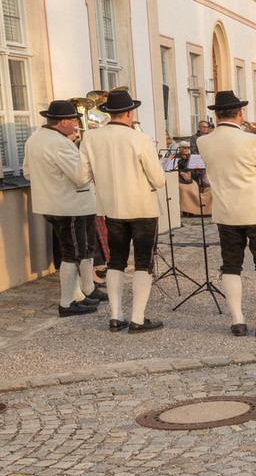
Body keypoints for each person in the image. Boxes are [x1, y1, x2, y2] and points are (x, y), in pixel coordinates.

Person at [199, 90, 256, 337]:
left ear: (216, 115)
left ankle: (238, 321)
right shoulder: (253, 141)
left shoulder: (203, 141)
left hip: (225, 213)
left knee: (231, 265)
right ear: (240, 113)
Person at [80, 89, 166, 333]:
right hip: (141, 208)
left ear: (109, 113)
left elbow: (81, 176)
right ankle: (138, 317)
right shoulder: (139, 138)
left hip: (110, 209)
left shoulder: (90, 137)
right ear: (129, 113)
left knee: (115, 260)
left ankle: (116, 316)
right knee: (142, 262)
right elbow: (158, 179)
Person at [23, 99, 99, 317]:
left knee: (72, 251)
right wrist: (90, 159)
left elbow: (28, 173)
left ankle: (78, 296)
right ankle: (66, 303)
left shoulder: (34, 139)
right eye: (74, 119)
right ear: (63, 121)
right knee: (72, 253)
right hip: (69, 205)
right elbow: (80, 177)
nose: (76, 123)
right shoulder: (60, 143)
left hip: (50, 204)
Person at [173, 140, 211, 217]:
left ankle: (192, 210)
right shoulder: (175, 158)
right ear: (180, 149)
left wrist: (190, 175)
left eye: (188, 148)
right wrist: (181, 173)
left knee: (193, 188)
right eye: (184, 148)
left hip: (192, 180)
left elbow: (198, 171)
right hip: (180, 180)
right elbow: (173, 169)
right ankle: (186, 209)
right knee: (184, 189)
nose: (187, 150)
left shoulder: (192, 158)